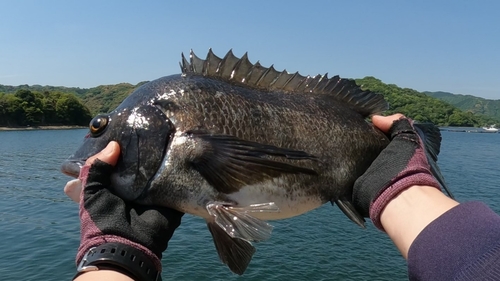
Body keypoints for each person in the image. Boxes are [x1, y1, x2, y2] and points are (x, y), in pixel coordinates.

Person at [65, 114, 500, 281]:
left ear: (166, 134)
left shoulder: (190, 145)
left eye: (100, 128)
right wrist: (410, 193)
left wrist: (112, 261)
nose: (95, 141)